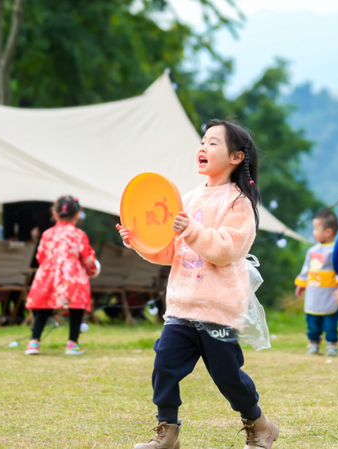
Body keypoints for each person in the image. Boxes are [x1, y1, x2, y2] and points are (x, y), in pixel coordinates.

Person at [118, 118, 279, 449]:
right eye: (202, 142)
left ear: (236, 157)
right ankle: (167, 433)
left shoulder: (239, 203)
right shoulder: (188, 199)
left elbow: (225, 250)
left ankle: (259, 423)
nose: (203, 148)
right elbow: (171, 251)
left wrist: (191, 230)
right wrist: (139, 241)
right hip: (182, 304)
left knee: (227, 375)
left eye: (213, 143)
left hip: (217, 308)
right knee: (164, 366)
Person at [25, 196, 98, 356]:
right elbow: (88, 258)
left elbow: (40, 256)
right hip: (72, 278)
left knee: (44, 307)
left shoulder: (47, 234)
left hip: (49, 276)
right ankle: (72, 344)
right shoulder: (78, 234)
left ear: (56, 214)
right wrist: (92, 270)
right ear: (77, 215)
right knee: (76, 308)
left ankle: (33, 342)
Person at [295, 208, 338, 357]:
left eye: (316, 229)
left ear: (328, 231)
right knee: (312, 322)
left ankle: (332, 344)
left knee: (330, 323)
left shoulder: (336, 251)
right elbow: (307, 269)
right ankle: (313, 342)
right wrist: (302, 284)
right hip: (314, 294)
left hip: (329, 294)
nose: (313, 232)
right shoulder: (312, 251)